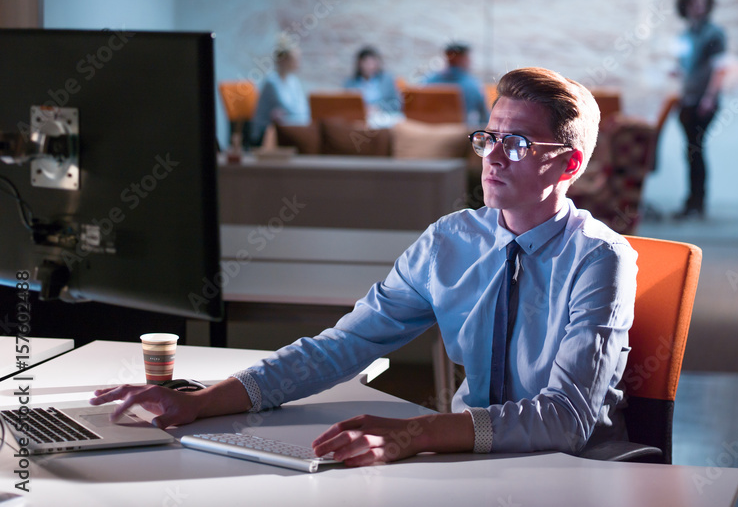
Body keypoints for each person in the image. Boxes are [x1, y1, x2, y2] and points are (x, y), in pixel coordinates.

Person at [90, 67, 638, 466]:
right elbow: (342, 346)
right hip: (461, 460)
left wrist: (415, 433)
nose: (492, 157)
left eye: (516, 143)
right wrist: (204, 400)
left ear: (567, 163)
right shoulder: (451, 239)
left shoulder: (599, 259)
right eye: (489, 138)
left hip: (572, 471)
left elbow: (565, 419)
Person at [671, 0, 727, 220]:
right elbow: (684, 67)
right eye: (694, 2)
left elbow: (720, 69)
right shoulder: (685, 35)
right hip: (687, 99)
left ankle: (697, 201)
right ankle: (692, 200)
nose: (698, 7)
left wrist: (709, 98)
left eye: (702, 2)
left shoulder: (714, 33)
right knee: (691, 150)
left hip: (703, 101)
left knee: (696, 148)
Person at [247, 35, 310, 145]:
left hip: (286, 131)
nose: (298, 63)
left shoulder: (294, 81)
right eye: (295, 59)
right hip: (265, 136)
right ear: (284, 60)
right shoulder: (272, 82)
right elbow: (290, 110)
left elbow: (304, 111)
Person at [424, 42, 488, 124]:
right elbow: (484, 118)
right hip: (458, 134)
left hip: (428, 132)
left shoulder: (428, 81)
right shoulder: (472, 86)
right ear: (463, 59)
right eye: (468, 58)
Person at [344, 46, 401, 122]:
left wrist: (378, 108)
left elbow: (397, 104)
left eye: (373, 63)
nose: (371, 67)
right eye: (367, 63)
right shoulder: (350, 83)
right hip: (359, 118)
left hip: (383, 117)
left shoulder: (387, 80)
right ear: (359, 64)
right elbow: (345, 106)